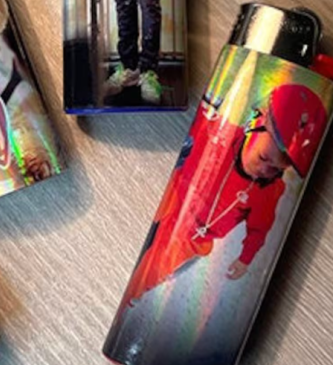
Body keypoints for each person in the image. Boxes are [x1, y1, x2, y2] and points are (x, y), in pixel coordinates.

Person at [121, 83, 328, 307]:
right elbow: (203, 121)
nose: (265, 170)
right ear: (257, 122)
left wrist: (245, 259)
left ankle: (133, 297)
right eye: (264, 158)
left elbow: (260, 228)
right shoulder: (224, 135)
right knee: (136, 245)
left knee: (150, 272)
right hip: (173, 201)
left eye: (277, 169)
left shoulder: (269, 189)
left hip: (193, 237)